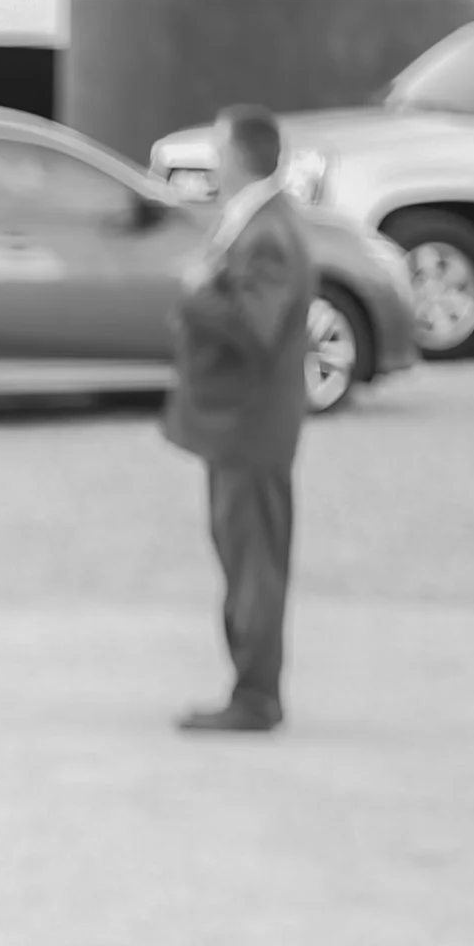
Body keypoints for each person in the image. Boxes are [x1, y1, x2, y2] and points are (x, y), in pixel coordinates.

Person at [162, 102, 311, 736]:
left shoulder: (268, 231)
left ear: (242, 157)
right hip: (239, 424)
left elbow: (256, 329)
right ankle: (250, 688)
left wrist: (199, 292)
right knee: (242, 555)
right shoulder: (253, 220)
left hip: (250, 426)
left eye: (220, 151)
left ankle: (255, 696)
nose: (214, 163)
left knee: (253, 561)